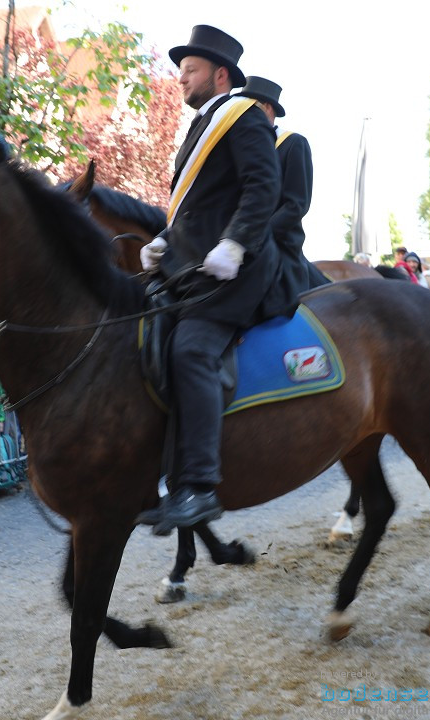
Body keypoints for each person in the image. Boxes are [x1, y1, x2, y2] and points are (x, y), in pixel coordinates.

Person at [135, 25, 293, 532]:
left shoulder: (242, 116)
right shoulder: (198, 129)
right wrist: (165, 239)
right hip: (191, 266)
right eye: (180, 71)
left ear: (219, 74)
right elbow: (195, 208)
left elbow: (263, 186)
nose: (180, 79)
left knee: (192, 350)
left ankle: (199, 485)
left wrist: (236, 242)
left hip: (237, 269)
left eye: (190, 70)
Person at [236, 75, 330, 294]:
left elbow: (296, 204)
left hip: (278, 245)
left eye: (251, 108)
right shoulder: (242, 150)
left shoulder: (293, 143)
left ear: (268, 109)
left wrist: (253, 235)